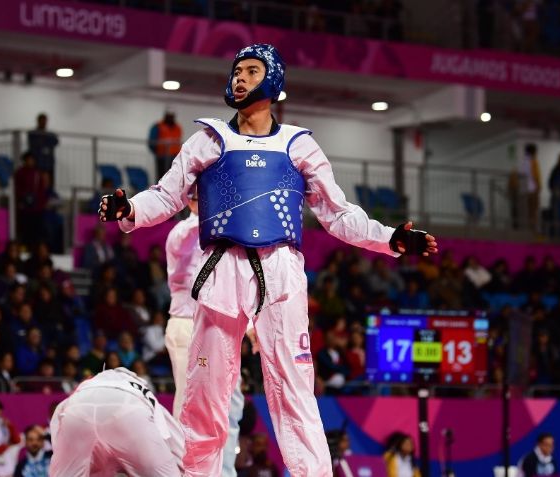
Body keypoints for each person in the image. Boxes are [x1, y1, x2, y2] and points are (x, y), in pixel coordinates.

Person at [100, 43, 437, 477]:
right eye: (236, 70)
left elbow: (338, 214)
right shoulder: (207, 140)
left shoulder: (299, 146)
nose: (239, 77)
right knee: (203, 399)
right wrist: (129, 211)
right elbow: (166, 195)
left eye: (251, 71)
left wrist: (390, 238)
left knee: (295, 394)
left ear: (273, 83)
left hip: (280, 274)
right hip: (222, 270)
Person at [163, 186, 248, 476]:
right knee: (190, 403)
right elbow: (189, 238)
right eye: (204, 198)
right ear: (191, 201)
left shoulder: (220, 239)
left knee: (231, 400)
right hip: (186, 326)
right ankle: (181, 470)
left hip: (217, 325)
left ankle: (224, 471)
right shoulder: (182, 233)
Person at [49, 367, 184, 477]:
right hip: (130, 410)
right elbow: (181, 449)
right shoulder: (142, 392)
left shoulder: (85, 388)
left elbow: (57, 426)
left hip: (76, 411)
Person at [14, 151, 48, 249]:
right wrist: (21, 200)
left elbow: (41, 191)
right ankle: (24, 248)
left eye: (32, 159)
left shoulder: (38, 173)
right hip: (24, 208)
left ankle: (35, 248)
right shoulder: (20, 173)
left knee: (36, 231)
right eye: (28, 159)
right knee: (25, 231)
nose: (30, 161)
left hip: (36, 209)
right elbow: (17, 188)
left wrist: (41, 204)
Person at [147, 109, 182, 179]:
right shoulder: (158, 126)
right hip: (162, 157)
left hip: (174, 158)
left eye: (172, 116)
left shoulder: (178, 127)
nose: (170, 118)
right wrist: (157, 152)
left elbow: (178, 141)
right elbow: (152, 141)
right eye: (169, 116)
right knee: (161, 177)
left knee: (172, 177)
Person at [27, 114, 59, 184]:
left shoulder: (50, 134)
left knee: (49, 183)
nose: (43, 123)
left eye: (45, 121)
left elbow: (56, 141)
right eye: (42, 121)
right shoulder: (33, 134)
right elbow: (34, 144)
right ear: (38, 121)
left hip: (48, 162)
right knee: (37, 182)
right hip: (37, 162)